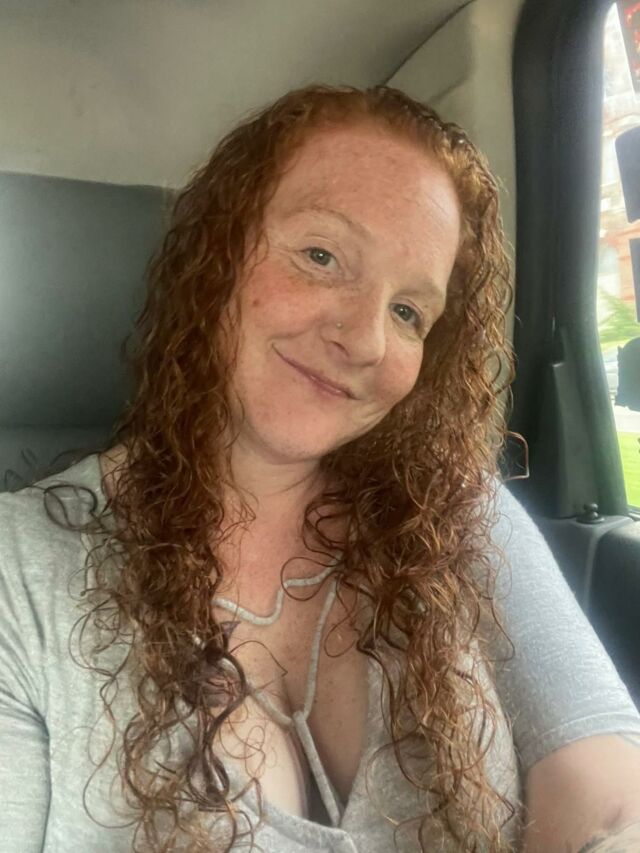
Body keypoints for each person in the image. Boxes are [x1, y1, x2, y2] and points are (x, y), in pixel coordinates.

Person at [1, 84, 640, 853]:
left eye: (408, 312)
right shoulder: (21, 569)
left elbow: (610, 798)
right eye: (322, 256)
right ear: (216, 254)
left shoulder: (457, 510)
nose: (366, 340)